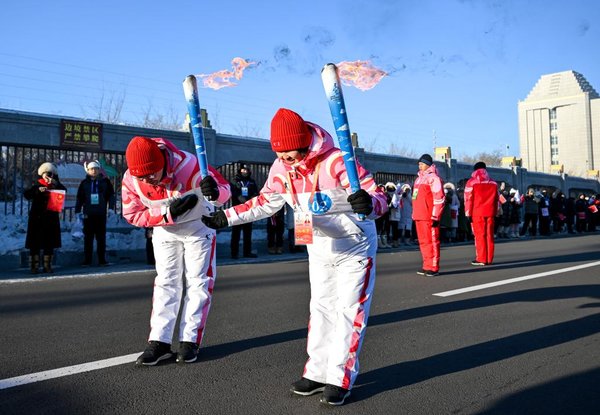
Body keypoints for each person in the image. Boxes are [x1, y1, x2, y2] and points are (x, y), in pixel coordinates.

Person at [202, 108, 388, 406]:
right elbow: (265, 202)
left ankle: (340, 377)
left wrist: (369, 203)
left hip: (354, 246)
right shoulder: (280, 168)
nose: (286, 158)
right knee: (321, 308)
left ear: (303, 141)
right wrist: (226, 218)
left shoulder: (337, 161)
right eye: (280, 152)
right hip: (318, 246)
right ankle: (316, 371)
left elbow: (378, 197)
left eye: (290, 152)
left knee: (348, 311)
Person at [121, 136, 231, 366]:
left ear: (162, 160)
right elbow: (132, 214)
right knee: (166, 282)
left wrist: (215, 193)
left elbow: (224, 191)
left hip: (198, 229)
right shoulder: (131, 180)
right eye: (142, 176)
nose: (149, 180)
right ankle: (159, 341)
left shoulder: (190, 165)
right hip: (164, 230)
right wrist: (166, 215)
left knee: (198, 281)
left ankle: (189, 340)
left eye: (152, 173)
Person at [24, 162, 67, 274]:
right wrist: (38, 190)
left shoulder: (56, 185)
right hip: (36, 219)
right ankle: (34, 266)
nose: (48, 176)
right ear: (41, 174)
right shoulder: (36, 185)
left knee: (49, 243)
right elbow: (27, 195)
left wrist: (55, 184)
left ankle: (47, 266)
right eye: (45, 174)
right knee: (35, 243)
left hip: (50, 219)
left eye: (50, 174)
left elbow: (64, 191)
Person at [75, 160, 116, 266]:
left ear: (99, 170)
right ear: (88, 170)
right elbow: (80, 198)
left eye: (96, 169)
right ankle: (87, 260)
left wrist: (110, 208)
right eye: (91, 169)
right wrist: (77, 211)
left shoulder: (105, 182)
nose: (94, 171)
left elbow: (111, 195)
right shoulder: (84, 183)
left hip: (100, 213)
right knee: (88, 238)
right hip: (88, 214)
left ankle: (102, 260)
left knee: (101, 238)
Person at [412, 154, 445, 276]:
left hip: (429, 216)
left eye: (422, 163)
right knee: (423, 242)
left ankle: (434, 266)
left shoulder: (433, 178)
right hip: (419, 215)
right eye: (419, 164)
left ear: (428, 164)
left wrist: (436, 216)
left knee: (432, 241)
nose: (419, 165)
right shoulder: (418, 179)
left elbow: (439, 198)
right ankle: (426, 265)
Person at [464, 161, 499, 266]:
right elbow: (497, 199)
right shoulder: (493, 182)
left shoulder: (471, 182)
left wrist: (467, 213)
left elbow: (468, 199)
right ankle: (489, 259)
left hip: (477, 212)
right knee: (489, 236)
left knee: (479, 236)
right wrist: (496, 211)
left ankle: (481, 258)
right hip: (490, 212)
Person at [230, 164, 259, 258]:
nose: (245, 172)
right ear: (240, 170)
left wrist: (251, 199)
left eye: (246, 170)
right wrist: (243, 200)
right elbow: (235, 193)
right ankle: (234, 253)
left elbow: (256, 192)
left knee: (248, 232)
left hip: (248, 210)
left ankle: (247, 252)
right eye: (243, 170)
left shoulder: (251, 181)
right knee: (236, 232)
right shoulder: (235, 180)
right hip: (237, 209)